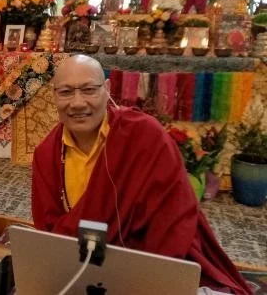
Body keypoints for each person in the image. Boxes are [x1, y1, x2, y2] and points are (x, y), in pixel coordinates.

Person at [31, 54, 252, 294]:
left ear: (107, 89)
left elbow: (173, 222)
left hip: (146, 269)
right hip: (76, 269)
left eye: (88, 90)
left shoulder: (144, 135)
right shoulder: (47, 154)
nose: (77, 103)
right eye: (65, 92)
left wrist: (138, 280)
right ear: (53, 95)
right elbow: (49, 235)